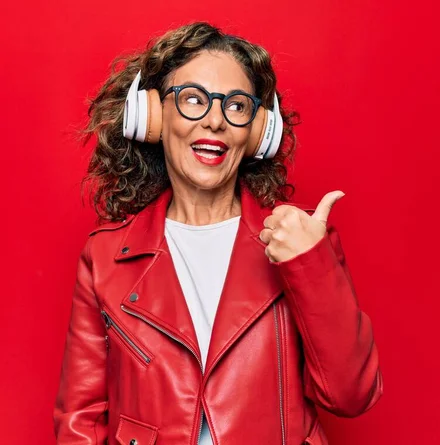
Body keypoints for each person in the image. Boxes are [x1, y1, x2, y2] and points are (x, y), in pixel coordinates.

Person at [53, 21, 382, 445]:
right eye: (192, 99)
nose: (214, 121)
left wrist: (310, 264)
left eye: (237, 106)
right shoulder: (104, 256)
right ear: (152, 117)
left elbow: (351, 395)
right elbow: (78, 422)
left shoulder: (303, 242)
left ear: (258, 132)